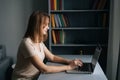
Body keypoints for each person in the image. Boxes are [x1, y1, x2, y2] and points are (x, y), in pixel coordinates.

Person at [11, 11, 83, 80]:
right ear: (37, 26)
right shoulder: (26, 43)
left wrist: (69, 61)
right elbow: (44, 69)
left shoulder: (39, 42)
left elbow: (52, 57)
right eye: (45, 25)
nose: (48, 28)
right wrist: (69, 67)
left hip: (36, 77)